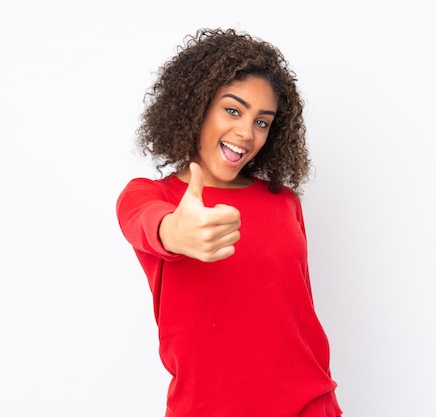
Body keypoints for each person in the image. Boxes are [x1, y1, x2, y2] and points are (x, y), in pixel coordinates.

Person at [116, 28, 342, 417]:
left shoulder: (284, 202)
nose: (246, 132)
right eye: (233, 110)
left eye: (262, 121)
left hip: (310, 405)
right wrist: (175, 231)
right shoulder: (153, 197)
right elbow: (149, 224)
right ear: (197, 106)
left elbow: (298, 313)